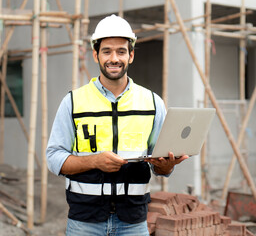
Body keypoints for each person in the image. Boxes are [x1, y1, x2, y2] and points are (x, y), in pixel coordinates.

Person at [46, 14, 188, 236]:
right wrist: (95, 161)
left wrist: (168, 164)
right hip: (85, 222)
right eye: (107, 51)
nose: (114, 58)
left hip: (133, 221)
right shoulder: (73, 102)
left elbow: (158, 164)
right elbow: (54, 159)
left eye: (121, 51)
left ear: (131, 55)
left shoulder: (152, 102)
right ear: (95, 55)